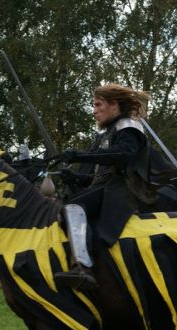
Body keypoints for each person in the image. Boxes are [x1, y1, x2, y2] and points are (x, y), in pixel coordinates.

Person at [54, 84, 155, 287]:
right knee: (70, 206)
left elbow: (122, 155)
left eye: (98, 105)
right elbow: (102, 176)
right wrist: (76, 178)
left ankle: (82, 267)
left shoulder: (128, 126)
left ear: (113, 105)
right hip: (109, 187)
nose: (94, 111)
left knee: (73, 208)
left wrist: (81, 156)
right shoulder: (109, 133)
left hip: (125, 190)